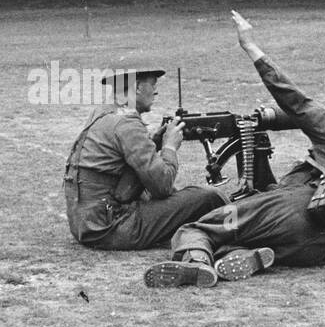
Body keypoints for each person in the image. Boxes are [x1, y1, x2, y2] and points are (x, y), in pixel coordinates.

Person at [144, 11, 325, 288]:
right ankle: (249, 256)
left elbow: (292, 98)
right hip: (317, 246)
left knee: (198, 228)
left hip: (295, 210)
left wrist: (250, 45)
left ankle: (195, 263)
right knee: (243, 234)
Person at [63, 64, 228, 251]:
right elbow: (162, 186)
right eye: (153, 85)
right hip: (111, 228)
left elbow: (118, 164)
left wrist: (154, 142)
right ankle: (239, 235)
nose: (155, 92)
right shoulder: (127, 123)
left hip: (86, 224)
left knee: (185, 198)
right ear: (139, 88)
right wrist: (169, 147)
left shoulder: (103, 112)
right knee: (209, 197)